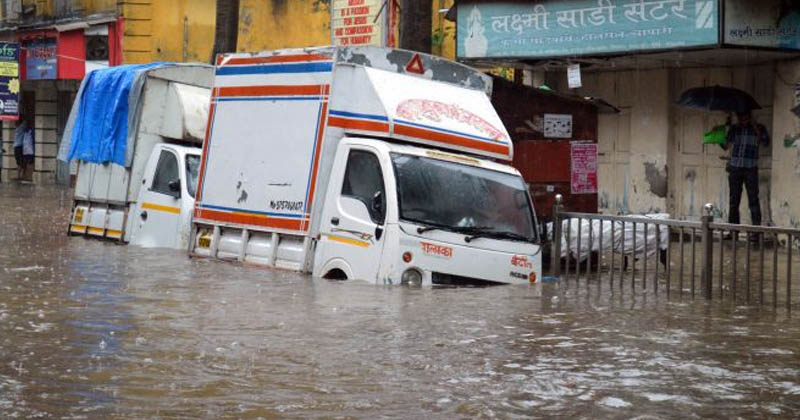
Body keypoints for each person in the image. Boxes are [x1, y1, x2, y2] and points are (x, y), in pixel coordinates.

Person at [723, 111, 769, 228]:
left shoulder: (759, 128)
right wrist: (721, 132)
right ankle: (733, 231)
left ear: (750, 116)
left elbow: (765, 142)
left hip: (750, 168)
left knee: (753, 200)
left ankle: (755, 232)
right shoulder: (735, 129)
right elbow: (725, 145)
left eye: (745, 116)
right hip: (735, 167)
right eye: (740, 116)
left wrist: (755, 127)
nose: (742, 119)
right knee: (734, 201)